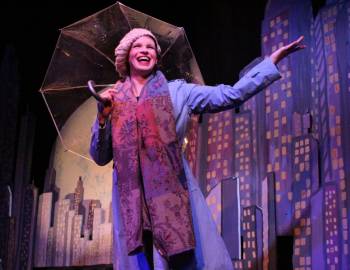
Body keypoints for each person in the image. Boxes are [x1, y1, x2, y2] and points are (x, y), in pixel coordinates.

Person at [90, 28, 305, 270]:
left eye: (150, 47)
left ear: (157, 58)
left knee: (182, 262)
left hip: (171, 195)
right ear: (127, 56)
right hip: (132, 203)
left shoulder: (178, 92)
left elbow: (230, 95)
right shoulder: (111, 99)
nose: (144, 51)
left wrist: (270, 63)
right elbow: (100, 157)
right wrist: (102, 119)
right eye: (138, 46)